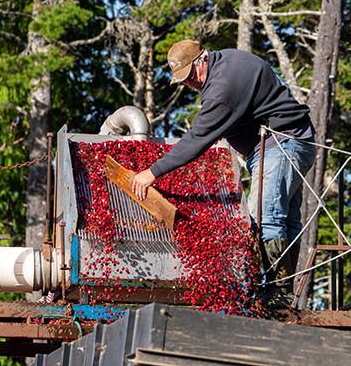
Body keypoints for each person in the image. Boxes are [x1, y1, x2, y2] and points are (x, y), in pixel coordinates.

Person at [132, 39, 316, 308]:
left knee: (265, 215)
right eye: (183, 81)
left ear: (202, 60)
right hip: (292, 142)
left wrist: (153, 171)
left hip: (282, 145)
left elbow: (199, 136)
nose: (189, 84)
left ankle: (277, 295)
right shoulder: (227, 60)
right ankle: (282, 292)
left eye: (190, 76)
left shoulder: (223, 85)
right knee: (285, 218)